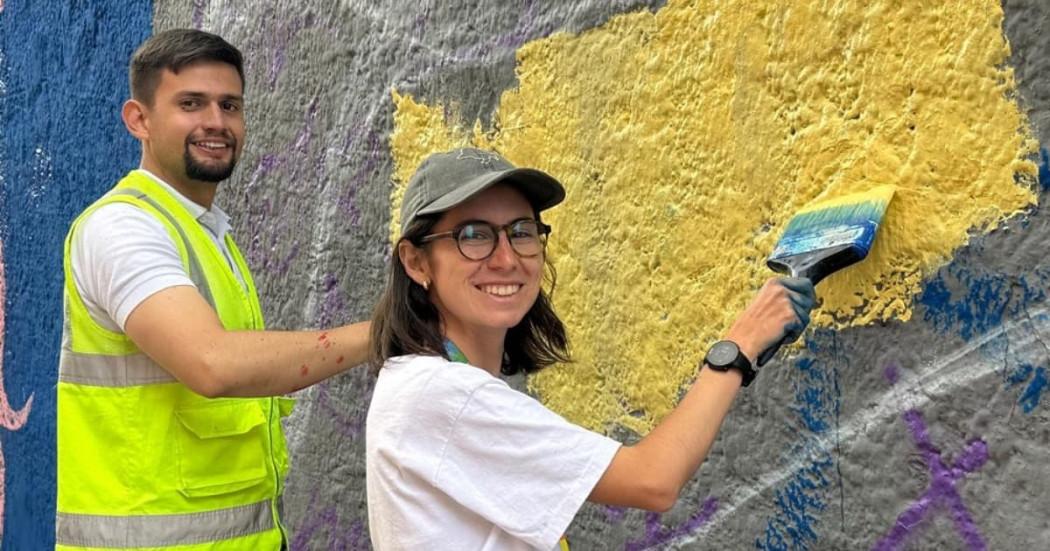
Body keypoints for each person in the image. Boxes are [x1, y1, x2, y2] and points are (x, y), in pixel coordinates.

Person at [366, 147, 817, 550]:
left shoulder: (427, 383)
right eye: (474, 235)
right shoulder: (442, 395)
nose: (506, 258)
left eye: (521, 231)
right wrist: (739, 345)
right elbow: (653, 480)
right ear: (416, 261)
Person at [55, 29, 370, 550]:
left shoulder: (206, 232)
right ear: (140, 119)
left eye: (230, 105)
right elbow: (212, 363)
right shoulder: (122, 229)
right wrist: (379, 334)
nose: (216, 123)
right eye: (191, 104)